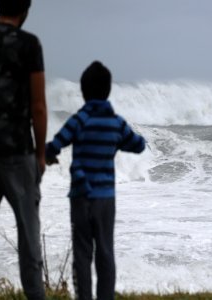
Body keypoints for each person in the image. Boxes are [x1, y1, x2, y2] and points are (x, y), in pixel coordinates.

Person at [45, 61, 145, 300]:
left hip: (80, 196)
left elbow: (56, 144)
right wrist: (117, 141)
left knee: (82, 253)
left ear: (83, 92)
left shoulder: (79, 120)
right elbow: (138, 144)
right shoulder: (116, 123)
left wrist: (47, 155)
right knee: (105, 252)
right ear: (108, 90)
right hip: (105, 199)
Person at [0, 0, 47, 299]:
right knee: (29, 240)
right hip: (18, 153)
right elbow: (38, 106)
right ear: (26, 10)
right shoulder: (29, 44)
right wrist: (41, 155)